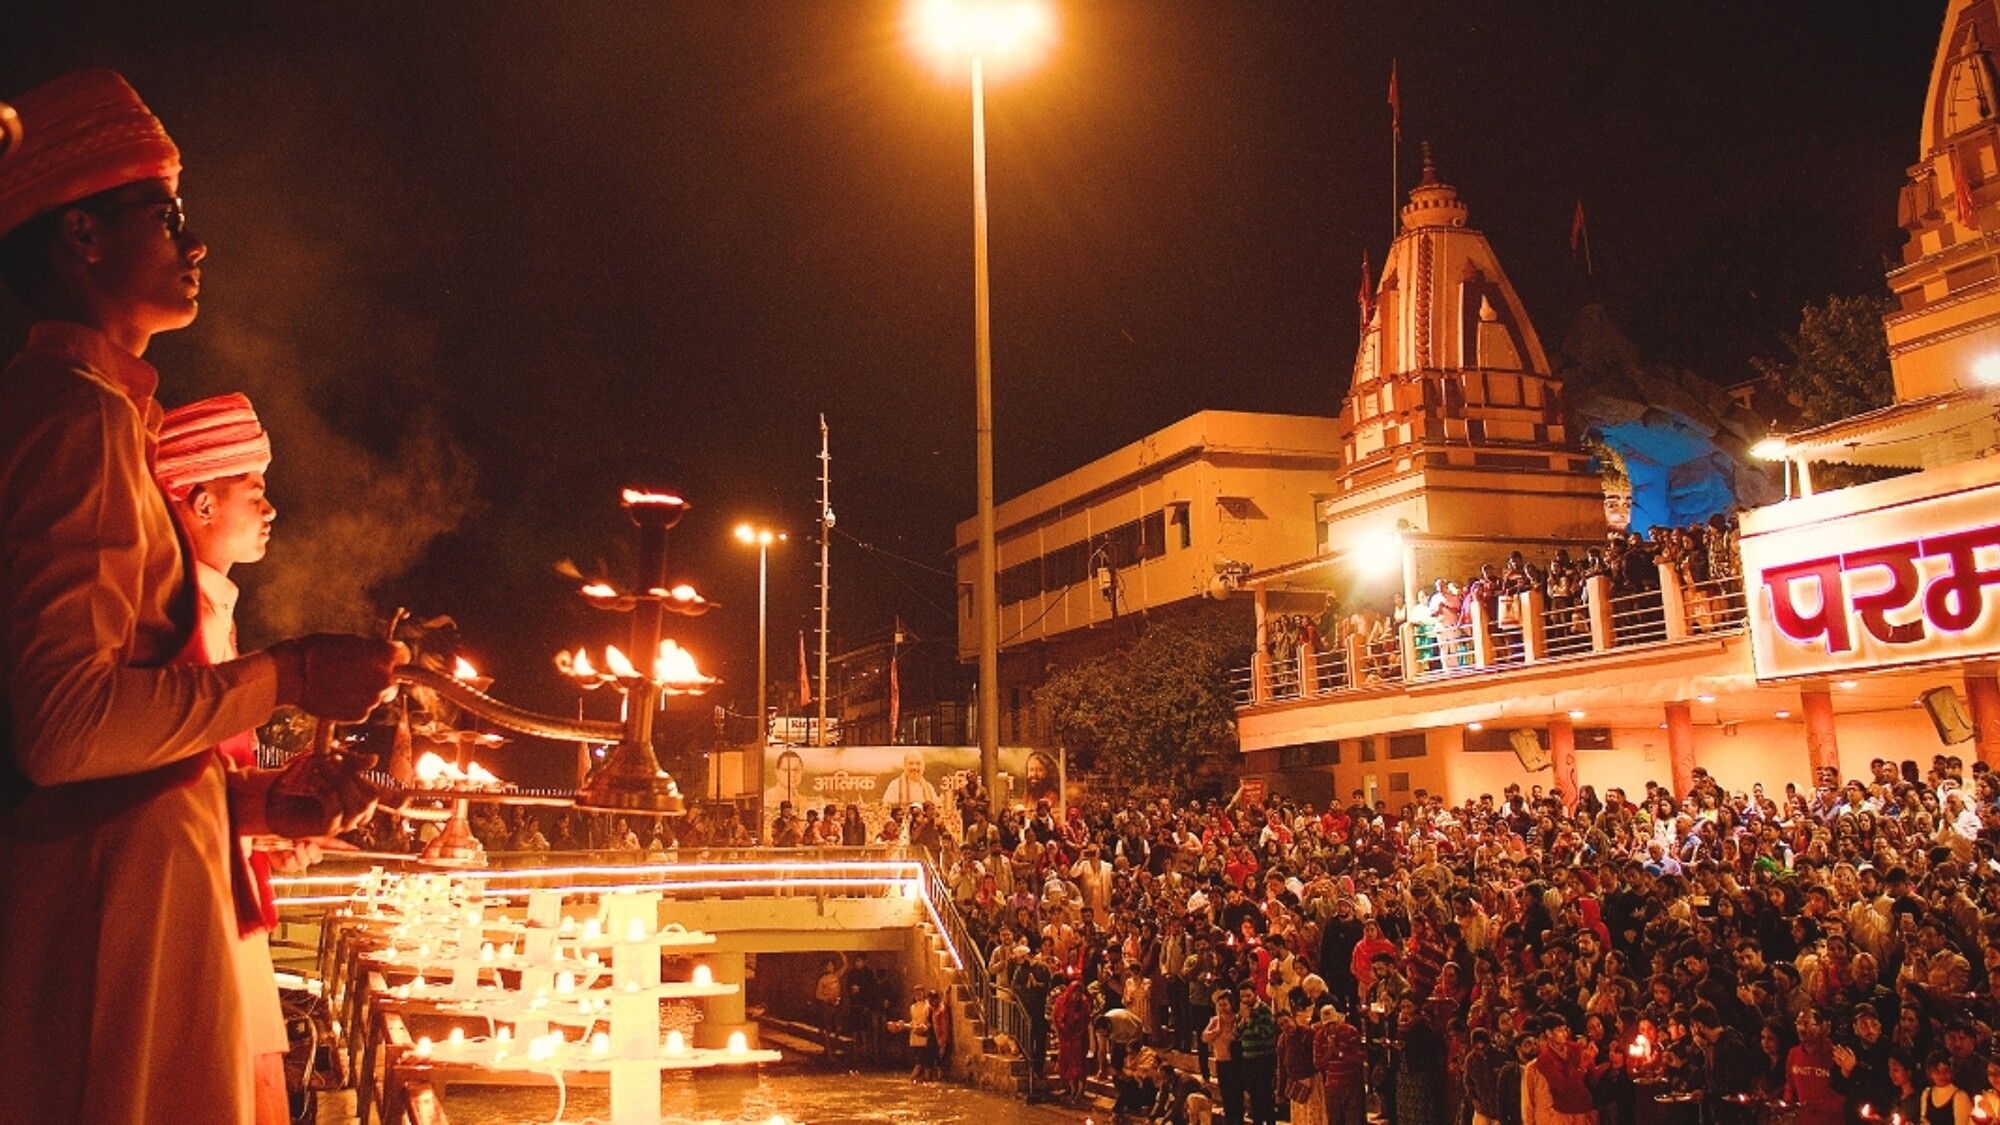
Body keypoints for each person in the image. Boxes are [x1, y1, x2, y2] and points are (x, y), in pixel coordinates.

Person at [0, 69, 400, 1123]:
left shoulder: (100, 416)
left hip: (135, 908)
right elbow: (61, 730)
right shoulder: (70, 419)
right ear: (80, 234)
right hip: (105, 935)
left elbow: (106, 743)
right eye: (167, 212)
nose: (195, 240)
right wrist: (292, 674)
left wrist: (258, 803)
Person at [152, 393, 292, 1123]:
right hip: (199, 915)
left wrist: (269, 820)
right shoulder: (180, 618)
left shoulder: (212, 608)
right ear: (202, 500)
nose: (270, 510)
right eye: (256, 491)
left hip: (222, 894)